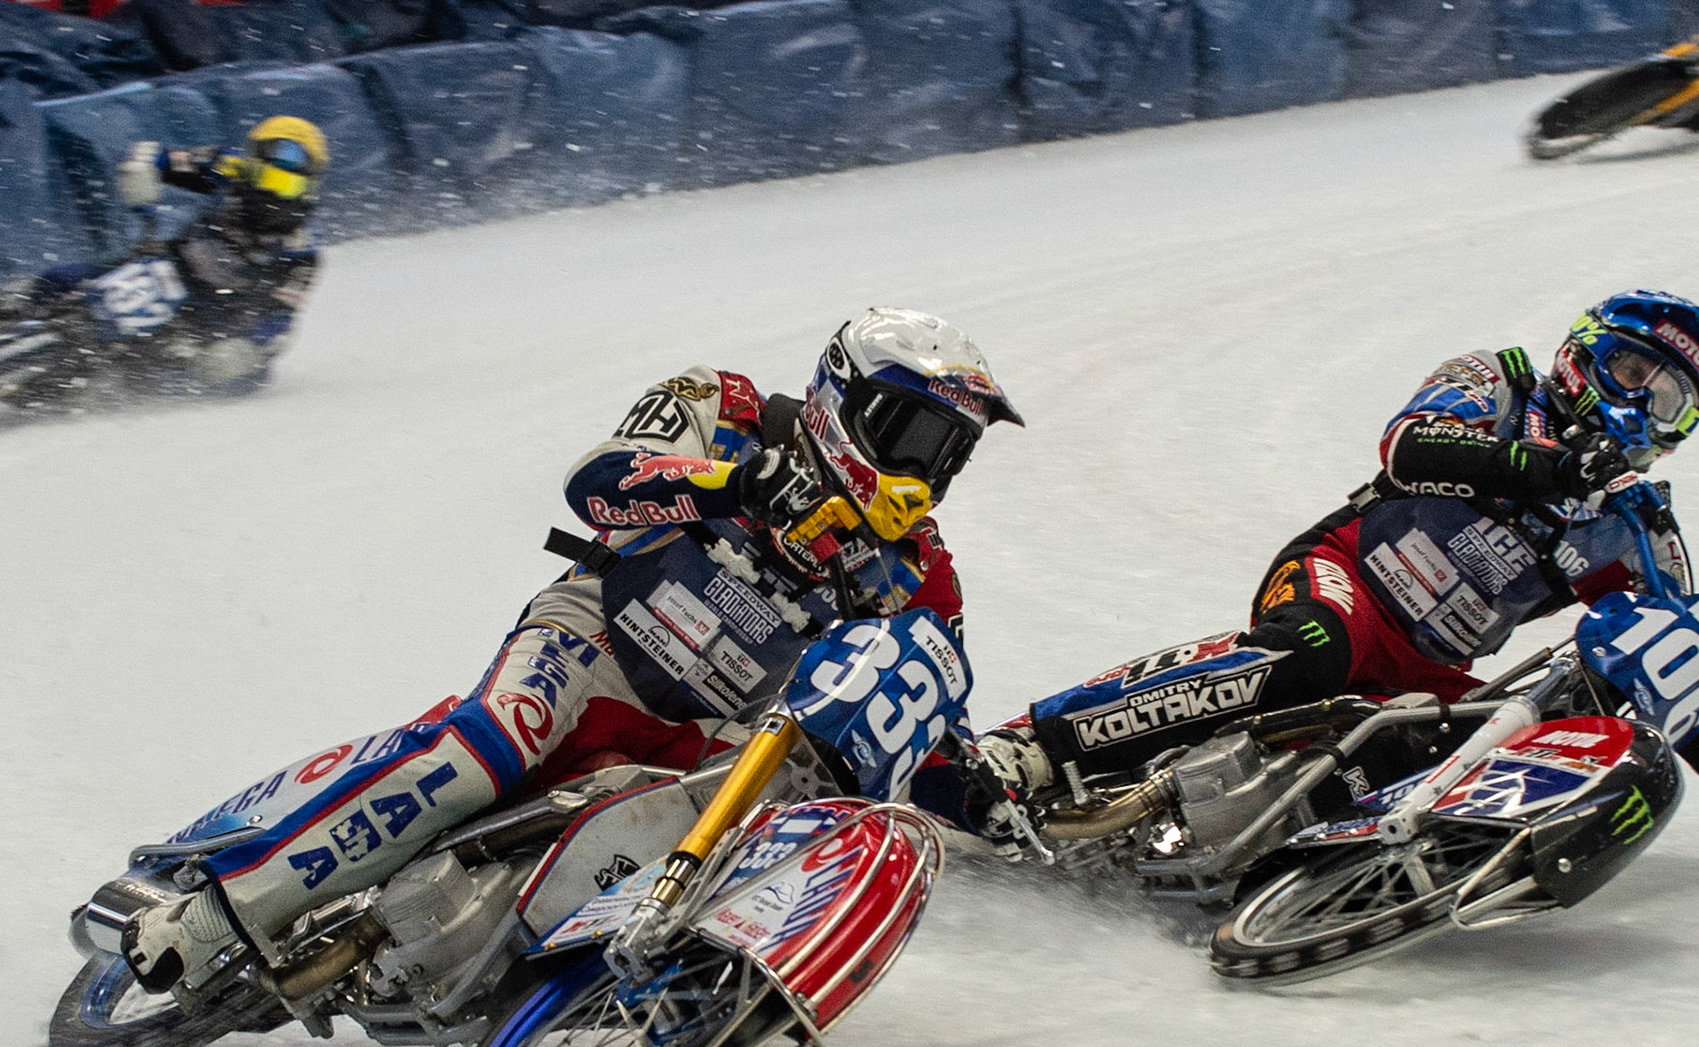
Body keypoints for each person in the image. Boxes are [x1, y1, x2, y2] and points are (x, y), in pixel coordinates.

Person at [122, 307, 1021, 997]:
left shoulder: (921, 572)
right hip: (593, 639)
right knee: (486, 750)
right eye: (914, 435)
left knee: (740, 844)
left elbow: (910, 703)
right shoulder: (728, 408)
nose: (926, 470)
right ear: (844, 399)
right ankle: (217, 912)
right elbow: (599, 484)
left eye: (950, 453)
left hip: (712, 738)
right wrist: (734, 484)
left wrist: (974, 794)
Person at [974, 290, 1699, 849]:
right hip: (1345, 578)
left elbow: (1662, 648)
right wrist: (1548, 468)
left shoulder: (1629, 522)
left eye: (1670, 399)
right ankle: (1032, 747)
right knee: (1311, 653)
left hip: (1431, 668)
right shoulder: (1500, 382)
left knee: (1485, 744)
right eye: (1633, 372)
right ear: (1582, 356)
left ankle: (1304, 852)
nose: (1642, 403)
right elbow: (1409, 449)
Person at [0, 116, 325, 403]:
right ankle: (12, 306)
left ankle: (86, 385)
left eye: (288, 184)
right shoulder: (227, 167)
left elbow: (281, 318)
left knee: (240, 377)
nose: (274, 193)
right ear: (251, 164)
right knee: (59, 279)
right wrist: (142, 169)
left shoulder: (302, 252)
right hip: (168, 264)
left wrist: (248, 347)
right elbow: (156, 156)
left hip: (212, 320)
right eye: (266, 178)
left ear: (309, 187)